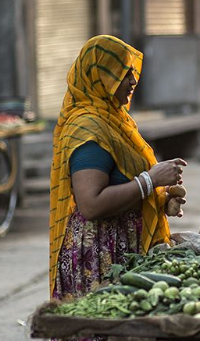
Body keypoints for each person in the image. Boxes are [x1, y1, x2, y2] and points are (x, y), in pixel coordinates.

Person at [49, 35, 187, 301]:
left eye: (133, 72)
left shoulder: (114, 119)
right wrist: (149, 181)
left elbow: (121, 180)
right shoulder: (88, 127)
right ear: (101, 76)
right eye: (124, 73)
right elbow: (90, 204)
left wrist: (159, 198)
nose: (133, 81)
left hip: (122, 249)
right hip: (99, 255)